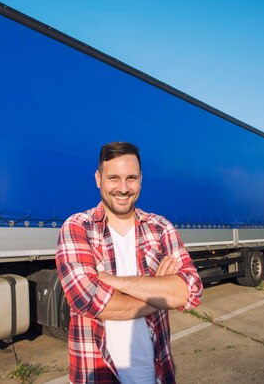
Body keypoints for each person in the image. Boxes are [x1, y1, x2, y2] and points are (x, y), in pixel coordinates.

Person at [56, 141, 203, 384]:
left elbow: (191, 291)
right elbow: (88, 300)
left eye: (131, 178)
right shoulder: (77, 227)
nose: (123, 188)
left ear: (141, 179)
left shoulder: (160, 228)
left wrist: (112, 282)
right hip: (97, 375)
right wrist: (160, 292)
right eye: (113, 177)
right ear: (98, 178)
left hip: (155, 376)